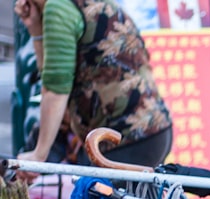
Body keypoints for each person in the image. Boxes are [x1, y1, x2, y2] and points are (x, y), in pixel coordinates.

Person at [13, 0, 173, 175]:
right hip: (155, 129)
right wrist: (35, 29)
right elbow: (51, 74)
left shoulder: (58, 6)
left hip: (125, 137)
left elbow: (56, 88)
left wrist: (39, 154)